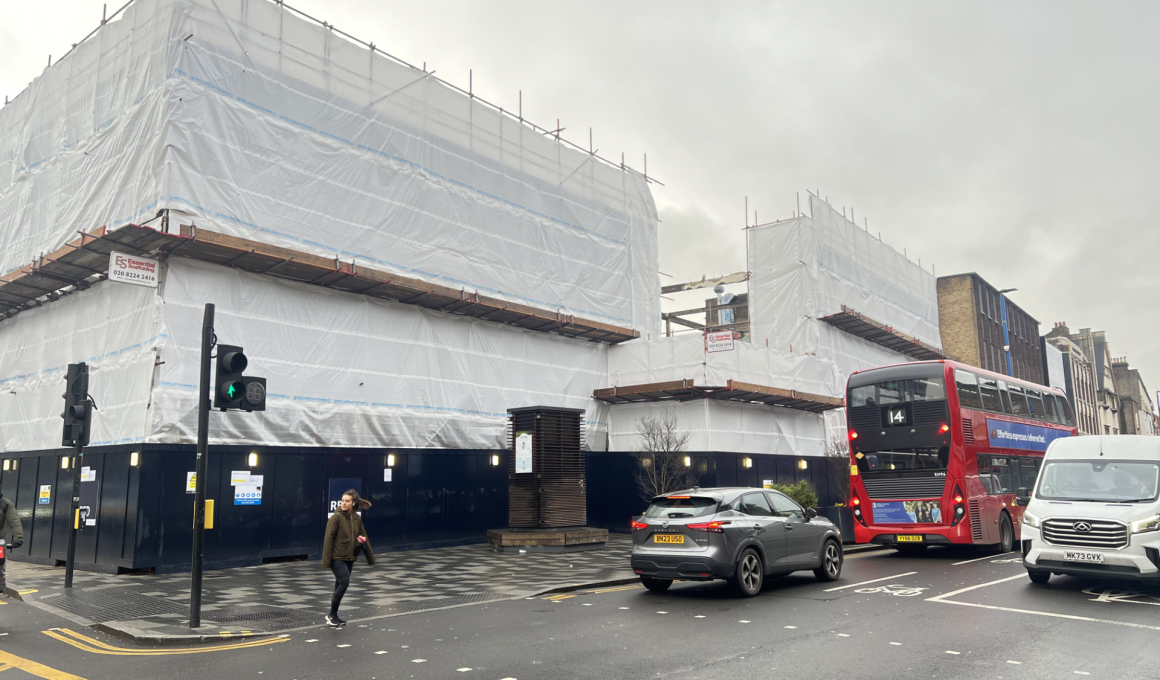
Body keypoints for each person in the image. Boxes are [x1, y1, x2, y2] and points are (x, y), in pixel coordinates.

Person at [322, 489, 374, 626]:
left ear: (354, 503)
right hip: (336, 556)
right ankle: (331, 615)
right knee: (344, 582)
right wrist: (327, 561)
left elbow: (363, 536)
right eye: (342, 501)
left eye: (347, 501)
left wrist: (369, 556)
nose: (343, 503)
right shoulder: (336, 517)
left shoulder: (357, 518)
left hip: (350, 556)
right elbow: (328, 539)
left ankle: (334, 615)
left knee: (339, 584)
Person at [0, 491, 24, 595]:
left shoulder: (5, 504)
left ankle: (1, 581)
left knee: (1, 562)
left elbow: (14, 521)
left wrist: (18, 538)